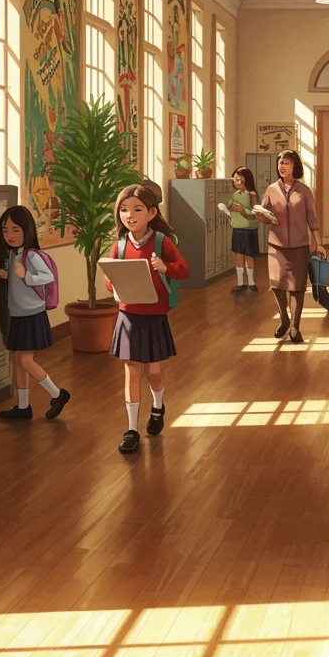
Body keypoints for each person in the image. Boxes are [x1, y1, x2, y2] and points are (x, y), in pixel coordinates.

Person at [105, 184, 190, 455]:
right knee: (131, 371)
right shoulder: (119, 246)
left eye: (137, 209)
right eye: (124, 210)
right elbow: (109, 282)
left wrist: (165, 267)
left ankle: (157, 406)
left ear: (152, 213)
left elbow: (183, 270)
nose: (129, 215)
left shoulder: (162, 242)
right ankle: (131, 429)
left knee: (153, 371)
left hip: (154, 315)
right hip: (127, 314)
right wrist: (112, 280)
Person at [0, 205, 71, 421]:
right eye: (5, 230)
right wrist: (9, 276)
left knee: (26, 360)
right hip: (18, 313)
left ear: (27, 230)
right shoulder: (14, 254)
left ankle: (57, 394)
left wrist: (25, 276)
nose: (9, 235)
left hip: (31, 314)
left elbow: (47, 277)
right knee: (17, 359)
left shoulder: (31, 255)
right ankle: (23, 406)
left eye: (15, 229)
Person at [254, 150, 329, 344]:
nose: (282, 166)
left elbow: (312, 218)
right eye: (280, 163)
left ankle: (295, 327)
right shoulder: (271, 189)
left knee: (297, 287)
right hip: (276, 245)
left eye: (286, 163)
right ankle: (284, 319)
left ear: (294, 166)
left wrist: (319, 243)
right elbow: (264, 213)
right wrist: (261, 216)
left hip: (299, 246)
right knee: (277, 285)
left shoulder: (304, 191)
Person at [228, 166, 260, 293]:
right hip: (237, 229)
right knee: (238, 255)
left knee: (249, 255)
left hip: (249, 230)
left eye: (239, 180)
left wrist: (241, 210)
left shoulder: (251, 194)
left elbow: (254, 212)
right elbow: (230, 207)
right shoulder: (235, 194)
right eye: (235, 180)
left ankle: (251, 282)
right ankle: (240, 282)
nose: (236, 182)